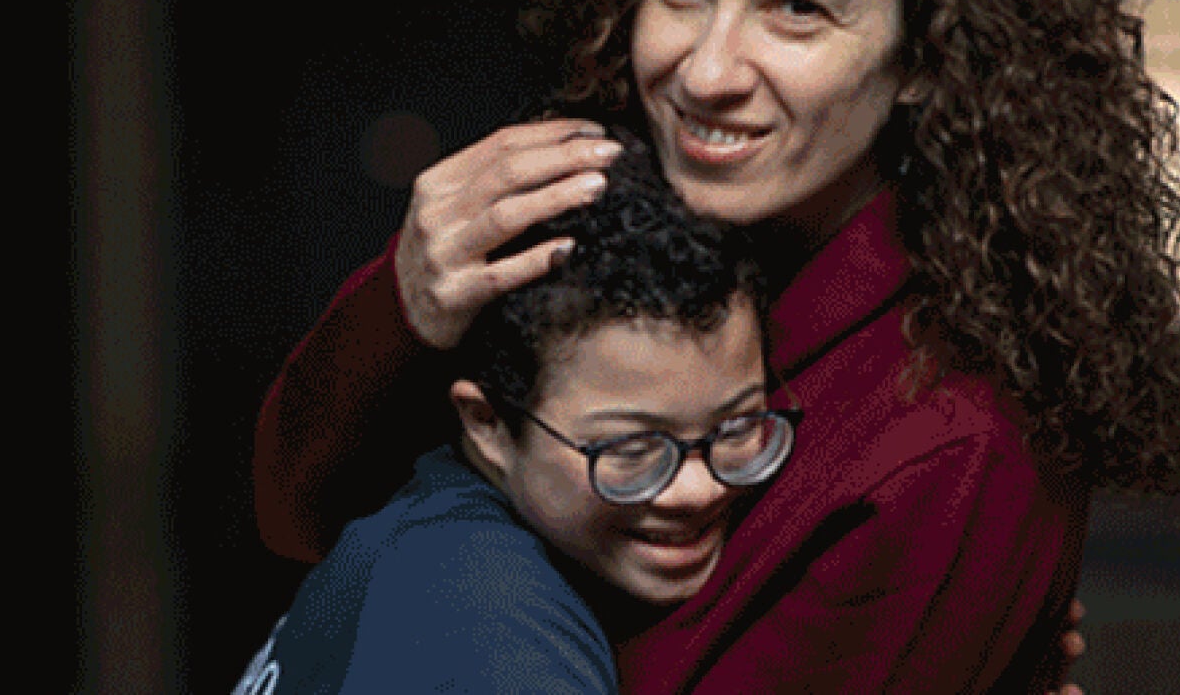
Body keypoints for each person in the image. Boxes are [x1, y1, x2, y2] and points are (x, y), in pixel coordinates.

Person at [254, 0, 1180, 691]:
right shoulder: (596, 215)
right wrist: (407, 303)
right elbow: (302, 521)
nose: (706, 71)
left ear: (927, 54)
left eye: (795, 9)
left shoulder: (947, 441)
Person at [236, 139, 797, 693]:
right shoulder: (486, 630)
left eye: (737, 428)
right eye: (631, 449)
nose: (698, 490)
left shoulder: (424, 539)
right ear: (488, 424)